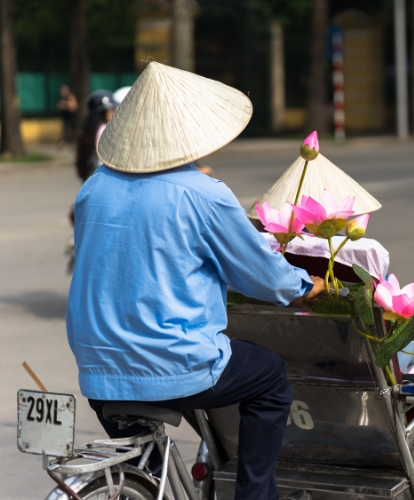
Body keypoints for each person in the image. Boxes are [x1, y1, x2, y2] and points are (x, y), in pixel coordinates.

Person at [67, 62, 325, 500]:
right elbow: (265, 278)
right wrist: (307, 286)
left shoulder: (93, 188)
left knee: (147, 472)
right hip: (176, 362)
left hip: (98, 368)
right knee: (270, 379)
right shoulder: (203, 193)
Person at [74, 90, 118, 182]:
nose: (114, 112)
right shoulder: (105, 130)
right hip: (105, 175)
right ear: (103, 111)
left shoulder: (90, 131)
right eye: (111, 110)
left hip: (93, 176)